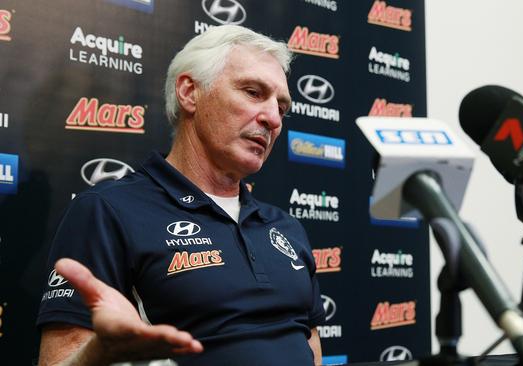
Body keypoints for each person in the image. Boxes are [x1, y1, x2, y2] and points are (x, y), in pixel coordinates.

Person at [37, 25, 325, 366]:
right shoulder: (108, 211)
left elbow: (310, 343)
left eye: (281, 106)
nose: (273, 118)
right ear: (190, 93)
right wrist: (99, 355)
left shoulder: (286, 226)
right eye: (252, 92)